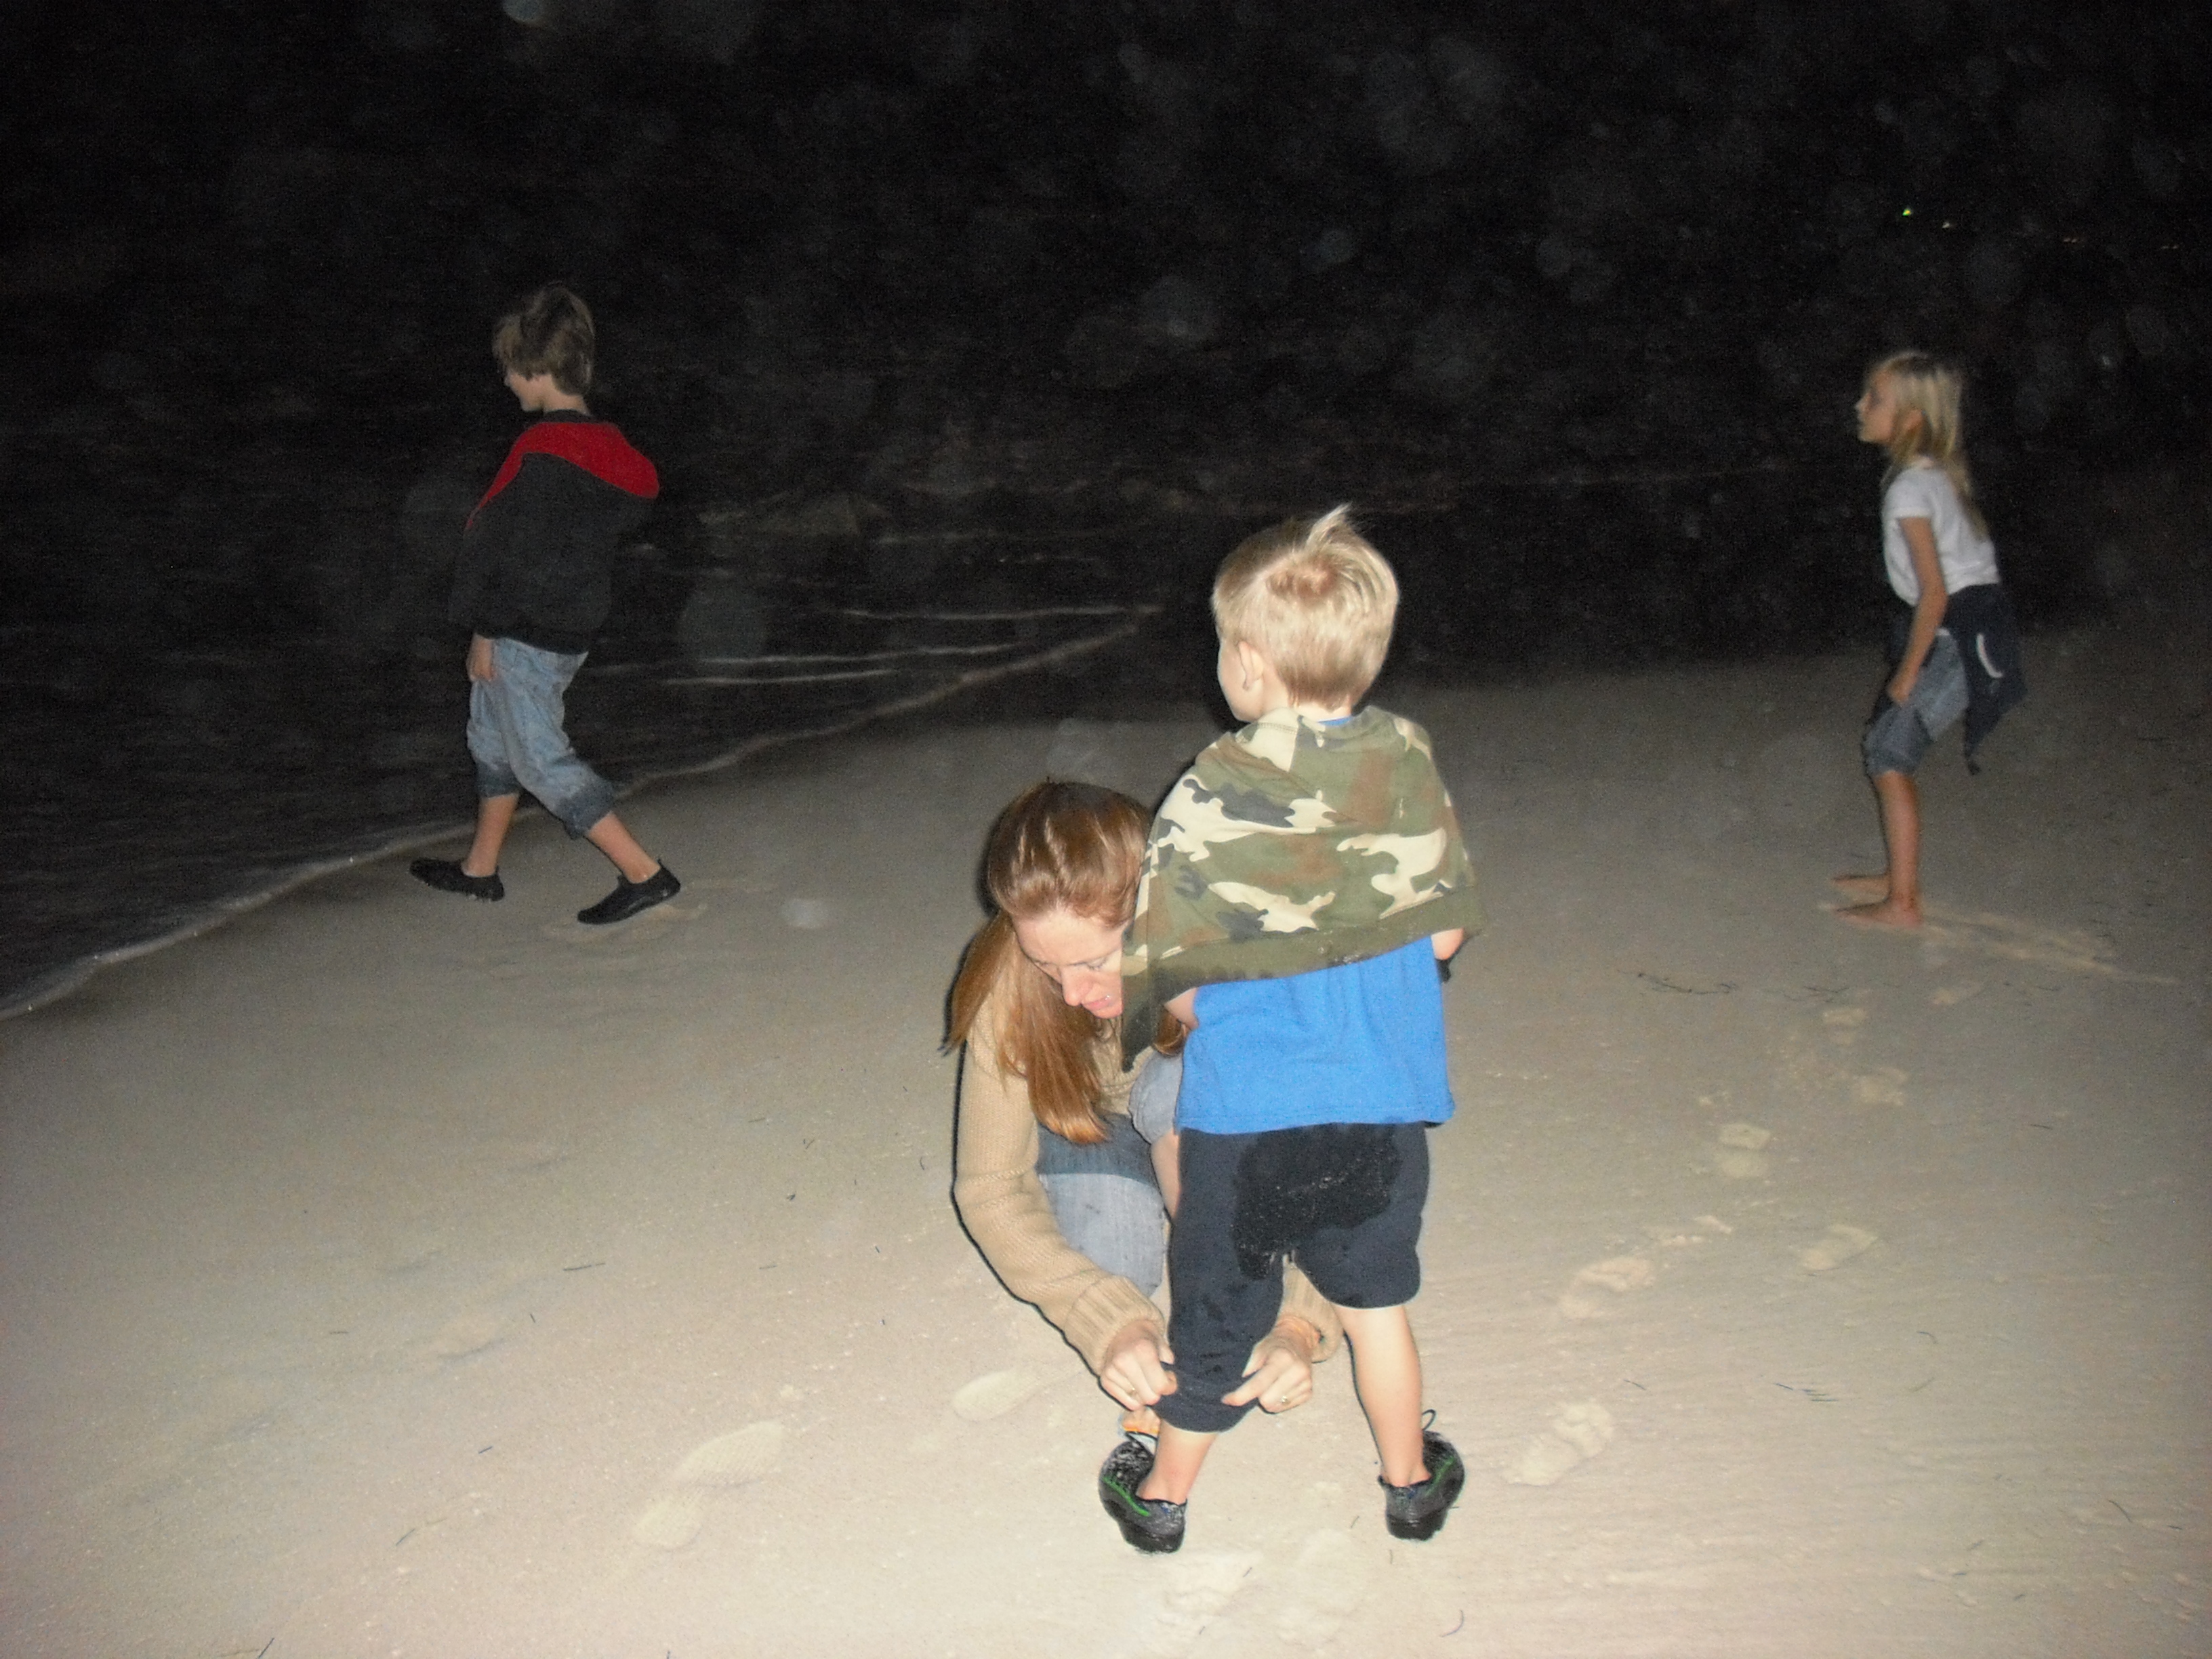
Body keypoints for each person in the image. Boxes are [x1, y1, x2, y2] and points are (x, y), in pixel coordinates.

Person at [1106, 506, 1485, 1554]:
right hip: (1378, 1114)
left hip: (1247, 1122)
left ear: (1247, 662)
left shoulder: (1208, 788)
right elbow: (1445, 933)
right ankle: (1411, 1484)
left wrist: (1221, 1011)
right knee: (1375, 1307)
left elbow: (1169, 975)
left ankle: (1164, 1499)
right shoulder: (1406, 760)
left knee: (1218, 1317)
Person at [946, 781, 1341, 1457]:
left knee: (1175, 1089)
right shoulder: (1007, 991)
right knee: (1116, 1261)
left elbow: (1334, 1147)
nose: (1074, 992)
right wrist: (1107, 1322)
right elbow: (989, 1187)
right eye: (1046, 964)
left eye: (1095, 961)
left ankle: (1227, 1248)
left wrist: (1299, 1323)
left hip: (1190, 1107)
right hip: (1090, 1132)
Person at [411, 285, 681, 926]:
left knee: (538, 757)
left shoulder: (541, 453)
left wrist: (485, 630)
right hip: (569, 621)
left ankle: (645, 874)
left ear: (537, 370)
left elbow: (506, 550)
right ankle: (480, 869)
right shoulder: (609, 451)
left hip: (523, 629)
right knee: (492, 738)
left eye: (511, 369)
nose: (506, 381)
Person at [1835, 352, 2025, 929]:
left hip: (1958, 637)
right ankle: (1897, 879)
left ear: (1912, 418)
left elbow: (1936, 593)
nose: (1861, 406)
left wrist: (1909, 670)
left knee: (1889, 757)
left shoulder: (1911, 491)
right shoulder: (1932, 475)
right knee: (1885, 743)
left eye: (1875, 398)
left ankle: (1903, 904)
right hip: (1973, 627)